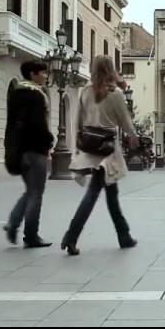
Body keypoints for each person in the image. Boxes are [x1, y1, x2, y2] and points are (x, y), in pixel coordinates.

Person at [61, 56, 139, 256]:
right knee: (95, 192)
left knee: (111, 193)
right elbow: (124, 120)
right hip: (107, 148)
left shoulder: (86, 91)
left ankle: (124, 235)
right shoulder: (116, 94)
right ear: (111, 69)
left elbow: (78, 118)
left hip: (90, 145)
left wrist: (78, 141)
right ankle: (71, 235)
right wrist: (133, 136)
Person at [3, 61, 55, 248]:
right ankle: (31, 235)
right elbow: (38, 124)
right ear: (33, 74)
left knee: (31, 191)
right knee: (36, 194)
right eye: (43, 73)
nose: (45, 76)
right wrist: (49, 140)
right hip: (35, 150)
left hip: (20, 150)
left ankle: (13, 223)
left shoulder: (16, 94)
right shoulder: (35, 96)